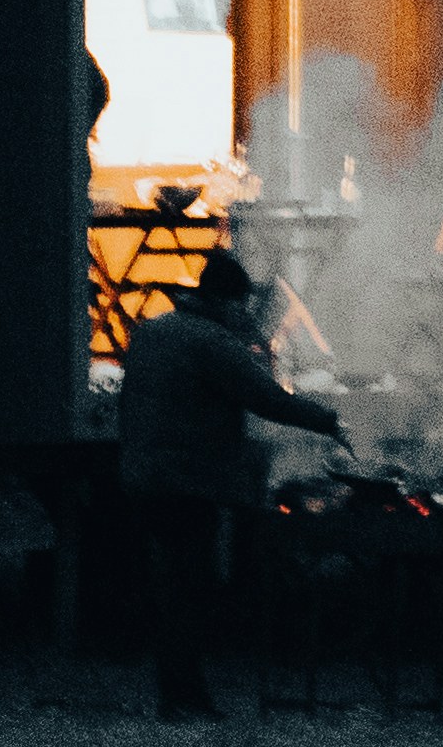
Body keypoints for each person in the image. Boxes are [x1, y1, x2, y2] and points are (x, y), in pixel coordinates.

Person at [111, 247, 338, 720]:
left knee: (171, 583)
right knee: (189, 587)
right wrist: (327, 420)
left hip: (143, 473)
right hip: (186, 480)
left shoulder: (154, 330)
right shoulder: (210, 341)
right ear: (227, 300)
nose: (245, 311)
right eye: (241, 304)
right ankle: (184, 698)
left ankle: (178, 692)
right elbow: (265, 398)